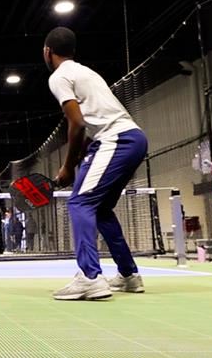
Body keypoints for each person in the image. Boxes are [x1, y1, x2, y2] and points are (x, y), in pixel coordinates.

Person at [43, 26, 148, 300]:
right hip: (133, 139)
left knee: (80, 202)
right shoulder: (87, 72)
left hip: (117, 141)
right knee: (100, 209)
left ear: (48, 52)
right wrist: (81, 156)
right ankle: (128, 275)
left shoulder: (59, 76)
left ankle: (89, 277)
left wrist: (68, 166)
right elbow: (91, 125)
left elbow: (76, 124)